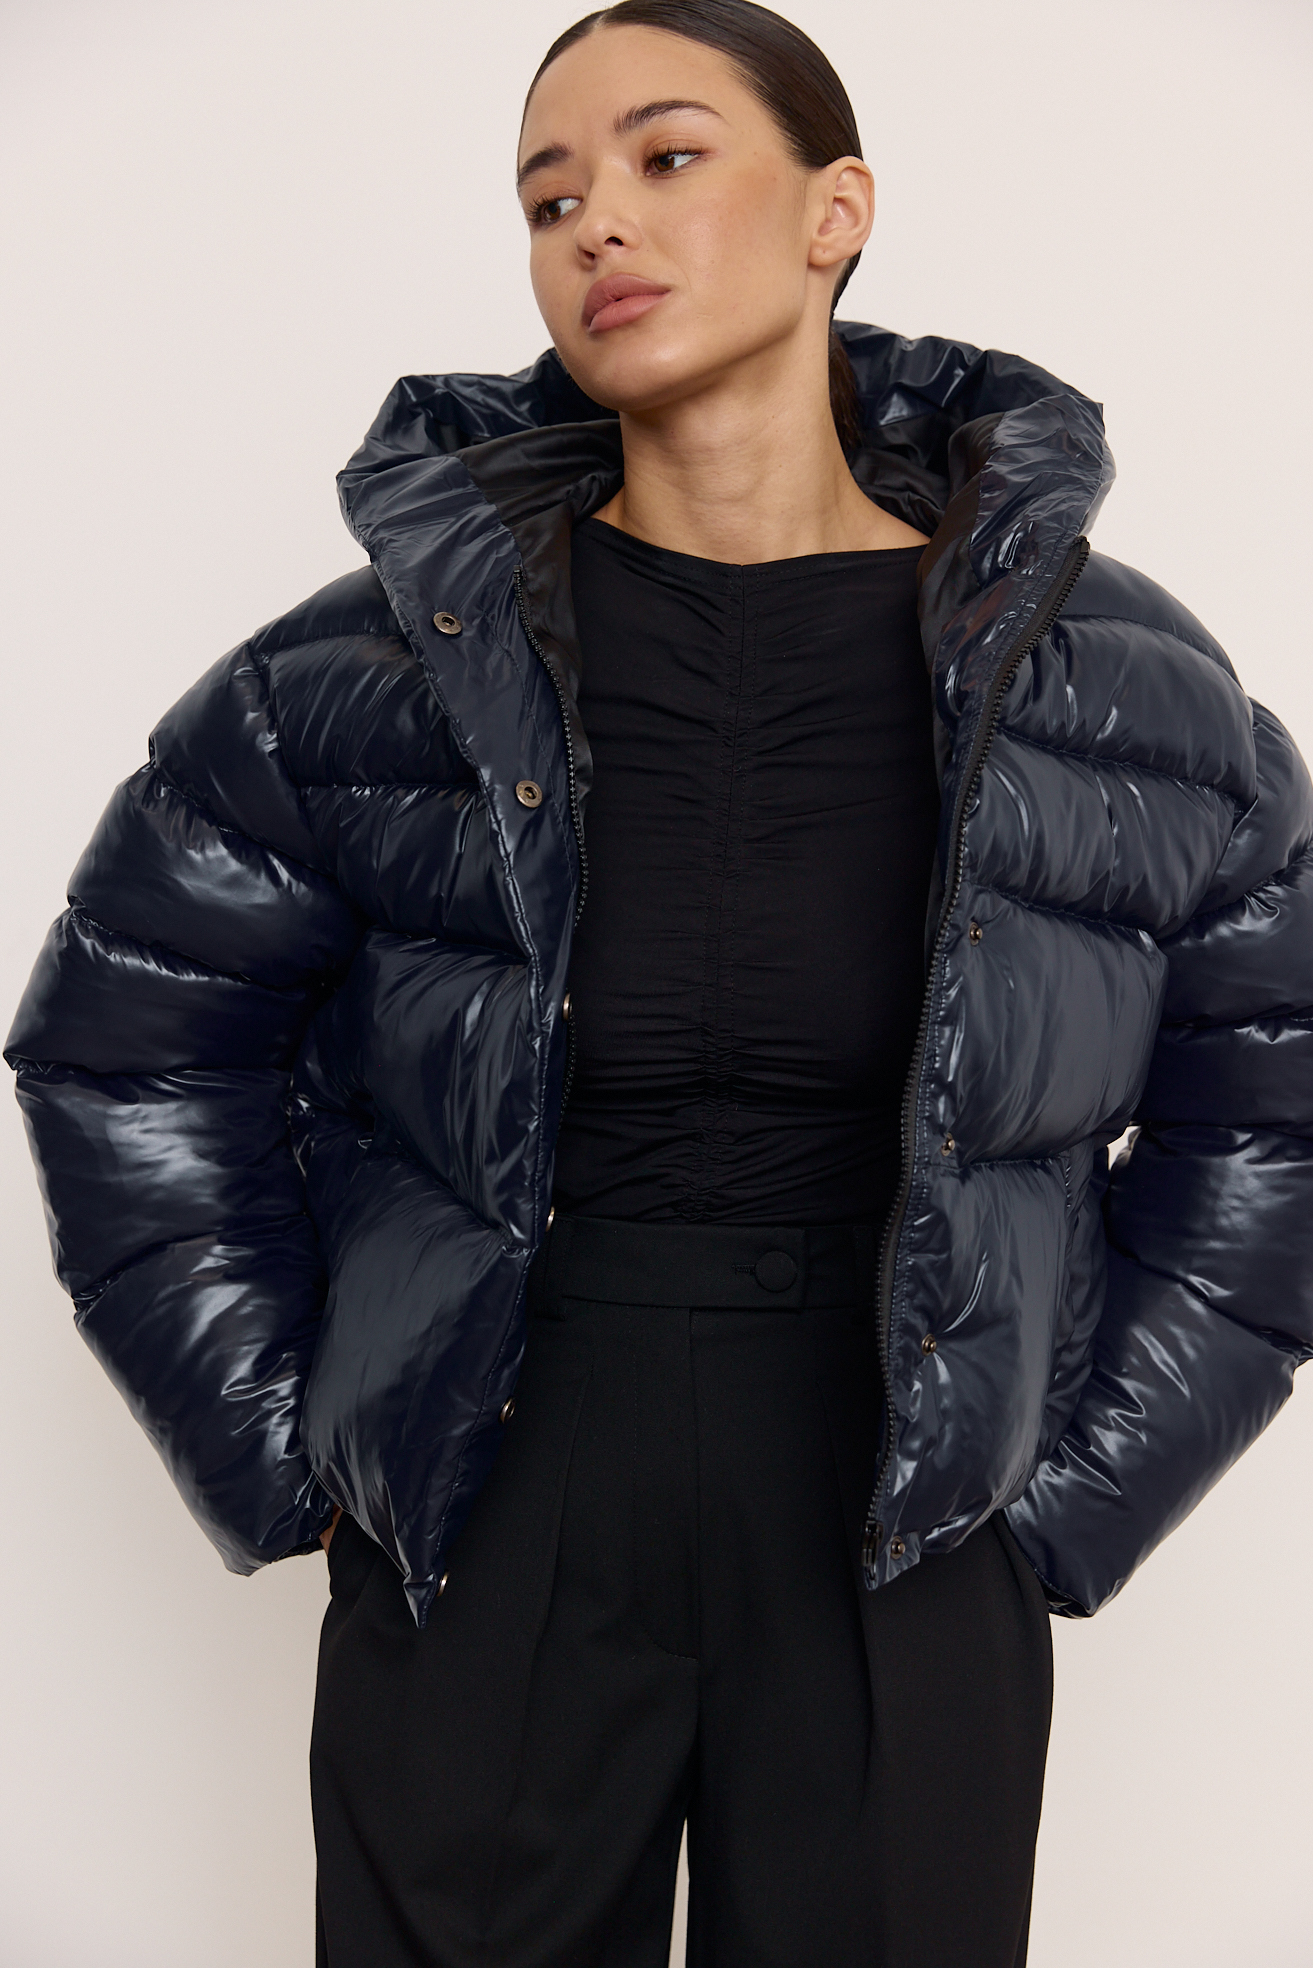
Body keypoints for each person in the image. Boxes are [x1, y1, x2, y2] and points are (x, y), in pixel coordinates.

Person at [8, 0, 1312, 1961]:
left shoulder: (1113, 687)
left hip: (905, 1500)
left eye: (666, 158)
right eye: (548, 198)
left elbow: (1275, 1090)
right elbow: (130, 1049)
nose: (595, 224)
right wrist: (298, 1444)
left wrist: (1064, 1491)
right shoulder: (359, 678)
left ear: (834, 209)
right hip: (499, 1479)